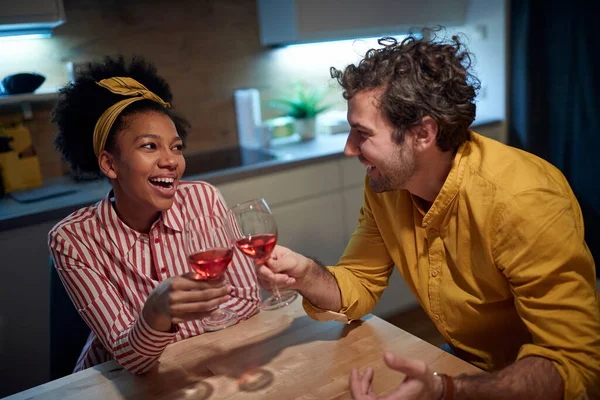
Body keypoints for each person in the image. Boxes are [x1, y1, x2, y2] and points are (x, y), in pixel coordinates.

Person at [258, 31, 600, 400]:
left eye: (362, 133)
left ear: (422, 133)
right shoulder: (387, 186)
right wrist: (307, 274)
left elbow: (572, 364)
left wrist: (445, 390)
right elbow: (360, 283)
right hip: (462, 365)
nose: (348, 149)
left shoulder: (523, 201)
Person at [48, 56, 260, 374]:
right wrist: (157, 314)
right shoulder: (72, 240)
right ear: (109, 164)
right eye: (150, 146)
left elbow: (247, 296)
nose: (171, 161)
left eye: (176, 147)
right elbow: (131, 359)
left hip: (204, 367)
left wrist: (162, 330)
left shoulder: (204, 198)